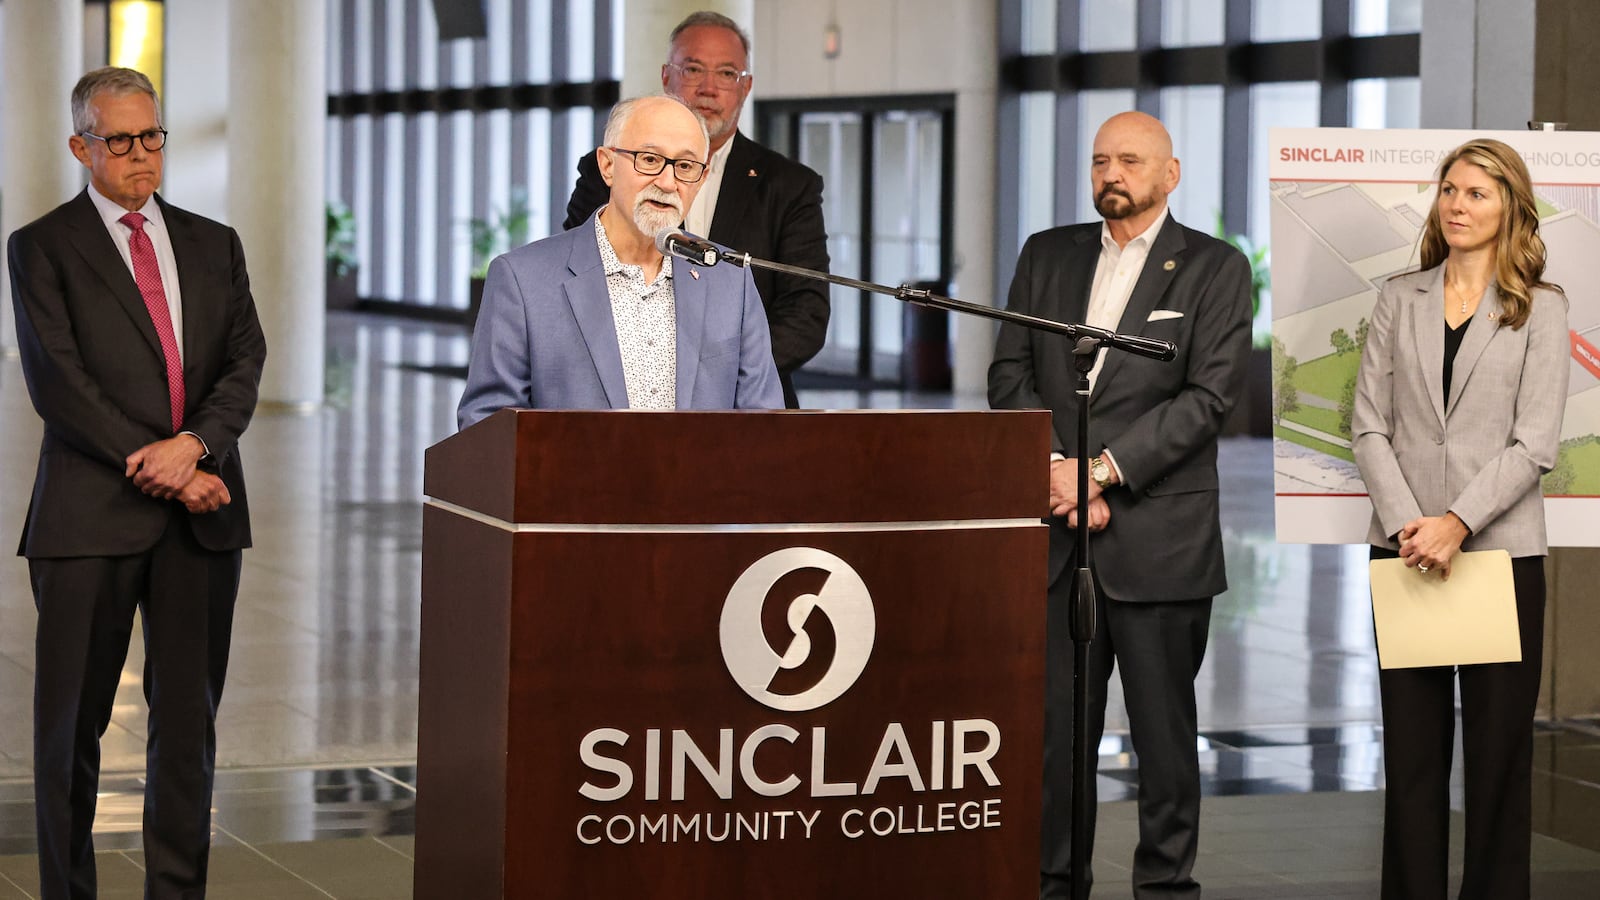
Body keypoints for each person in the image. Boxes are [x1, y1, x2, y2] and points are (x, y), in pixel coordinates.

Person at [7, 67, 267, 899]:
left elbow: (245, 361)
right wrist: (164, 466)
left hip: (203, 518)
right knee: (70, 731)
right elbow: (60, 384)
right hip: (89, 518)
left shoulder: (214, 242)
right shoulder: (42, 246)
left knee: (187, 730)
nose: (140, 154)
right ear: (80, 147)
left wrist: (194, 447)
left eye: (150, 135)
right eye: (118, 140)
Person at [988, 111, 1252, 900]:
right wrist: (1058, 472)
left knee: (1163, 741)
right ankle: (1054, 884)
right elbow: (1010, 376)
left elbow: (1210, 397)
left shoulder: (1214, 268)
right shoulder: (1047, 254)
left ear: (1171, 174)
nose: (1113, 173)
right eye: (1101, 160)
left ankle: (1165, 887)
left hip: (1159, 540)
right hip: (1059, 537)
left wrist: (1101, 473)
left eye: (1131, 161)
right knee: (1056, 739)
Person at [1351, 138, 1569, 900]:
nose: (1457, 204)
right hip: (1405, 552)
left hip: (1499, 558)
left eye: (1476, 192)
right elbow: (1367, 425)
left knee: (1498, 764)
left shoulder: (1543, 308)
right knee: (1411, 761)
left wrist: (1457, 524)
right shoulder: (1397, 297)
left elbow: (1535, 443)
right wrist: (1412, 526)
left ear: (1511, 206)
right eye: (1449, 190)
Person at [458, 94, 782, 427]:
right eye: (649, 160)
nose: (667, 182)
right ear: (607, 165)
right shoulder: (523, 280)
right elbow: (487, 425)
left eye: (685, 167)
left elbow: (764, 424)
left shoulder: (730, 279)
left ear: (701, 179)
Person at [562, 10, 829, 409]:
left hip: (747, 409)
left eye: (726, 74)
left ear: (746, 87)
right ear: (666, 77)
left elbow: (805, 314)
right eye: (693, 70)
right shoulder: (614, 168)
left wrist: (716, 378)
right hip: (617, 402)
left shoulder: (789, 185)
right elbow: (578, 276)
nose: (708, 88)